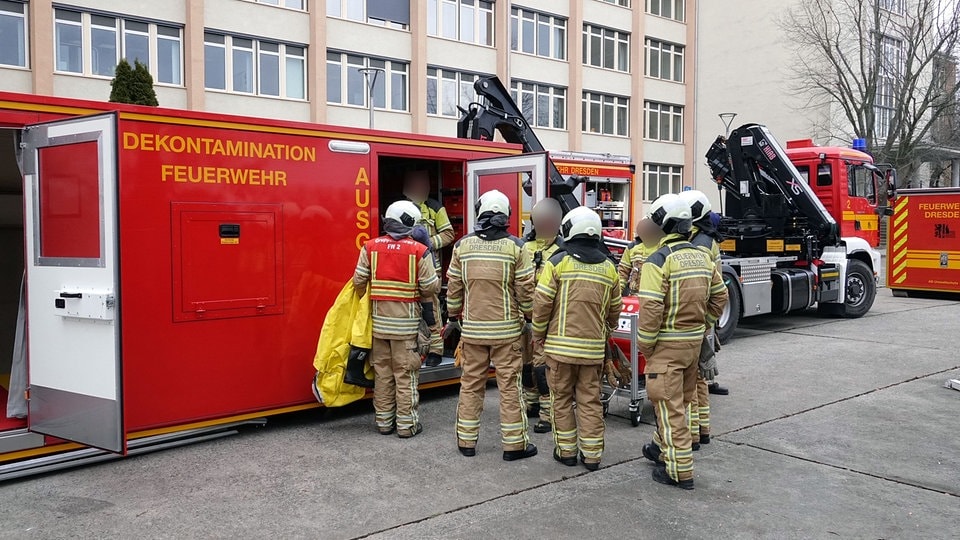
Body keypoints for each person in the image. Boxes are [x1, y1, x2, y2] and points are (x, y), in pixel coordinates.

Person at [638, 193, 728, 490]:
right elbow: (720, 297)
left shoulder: (657, 260)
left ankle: (678, 472)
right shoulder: (702, 256)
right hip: (692, 345)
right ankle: (659, 448)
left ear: (662, 225)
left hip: (666, 346)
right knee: (681, 404)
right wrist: (702, 325)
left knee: (670, 408)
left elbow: (650, 309)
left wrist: (646, 345)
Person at [445, 190, 538, 461]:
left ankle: (466, 442)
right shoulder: (517, 247)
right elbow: (526, 291)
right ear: (506, 214)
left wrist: (453, 318)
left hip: (473, 332)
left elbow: (453, 288)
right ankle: (514, 446)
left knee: (470, 385)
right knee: (509, 387)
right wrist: (531, 320)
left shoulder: (463, 246)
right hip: (507, 333)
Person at [533, 207, 622, 472]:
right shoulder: (609, 268)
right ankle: (592, 456)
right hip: (593, 351)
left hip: (559, 351)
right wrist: (605, 330)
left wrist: (538, 335)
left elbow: (541, 304)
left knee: (560, 400)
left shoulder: (558, 262)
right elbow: (614, 311)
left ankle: (566, 452)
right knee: (590, 401)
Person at [352, 200, 440, 438]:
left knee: (382, 375)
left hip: (379, 327)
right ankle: (406, 425)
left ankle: (383, 423)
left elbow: (358, 282)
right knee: (405, 375)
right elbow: (431, 288)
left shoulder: (369, 247)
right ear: (410, 222)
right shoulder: (419, 251)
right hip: (406, 330)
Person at [678, 190, 726, 452]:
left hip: (694, 318)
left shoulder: (698, 243)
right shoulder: (707, 239)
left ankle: (693, 436)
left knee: (691, 380)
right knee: (699, 379)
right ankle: (702, 431)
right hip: (704, 317)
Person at [403, 169, 456, 367]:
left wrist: (427, 243)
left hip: (430, 269)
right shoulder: (400, 207)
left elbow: (449, 234)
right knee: (409, 313)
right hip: (406, 270)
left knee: (430, 312)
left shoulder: (435, 207)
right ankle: (415, 349)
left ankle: (436, 350)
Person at [521, 198, 564, 434]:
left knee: (543, 368)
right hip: (524, 319)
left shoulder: (562, 252)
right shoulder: (524, 248)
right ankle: (531, 403)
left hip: (549, 322)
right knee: (526, 366)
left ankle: (548, 414)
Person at [618, 218, 659, 296]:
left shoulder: (661, 247)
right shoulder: (632, 247)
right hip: (634, 297)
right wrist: (618, 294)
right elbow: (622, 273)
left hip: (654, 298)